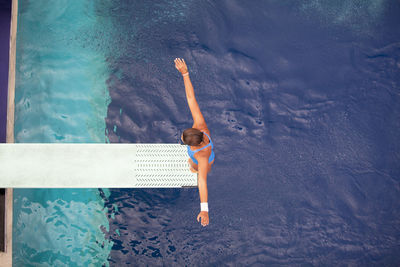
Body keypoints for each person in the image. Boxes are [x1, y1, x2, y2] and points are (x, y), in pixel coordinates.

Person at [174, 58, 214, 227]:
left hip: (203, 163)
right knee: (192, 161)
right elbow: (191, 99)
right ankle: (191, 165)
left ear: (193, 145)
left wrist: (204, 209)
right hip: (197, 155)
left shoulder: (202, 155)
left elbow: (202, 183)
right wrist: (185, 73)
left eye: (184, 142)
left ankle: (192, 167)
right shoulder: (200, 126)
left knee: (195, 169)